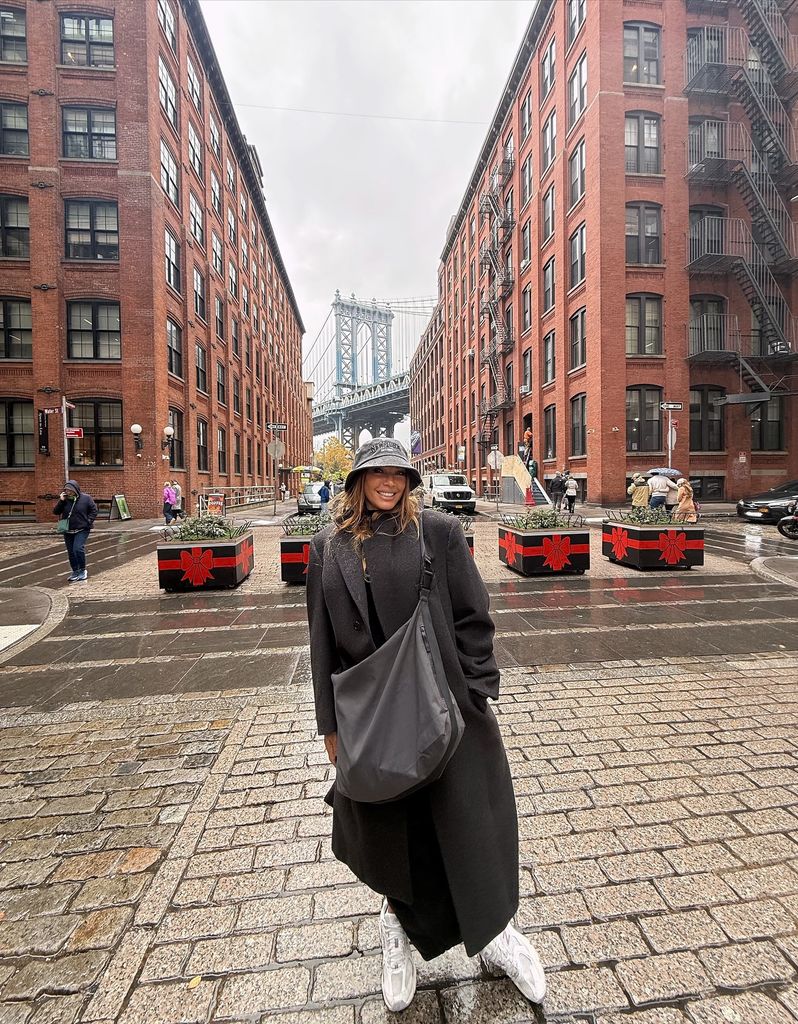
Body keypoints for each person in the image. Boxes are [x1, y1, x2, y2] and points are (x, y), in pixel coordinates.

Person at [306, 438, 545, 1013]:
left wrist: (477, 691)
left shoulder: (437, 532)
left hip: (447, 705)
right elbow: (321, 639)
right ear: (357, 481)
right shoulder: (328, 545)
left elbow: (473, 615)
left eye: (399, 473)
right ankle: (399, 928)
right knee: (393, 834)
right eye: (377, 473)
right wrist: (329, 724)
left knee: (470, 824)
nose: (389, 482)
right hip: (373, 716)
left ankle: (497, 932)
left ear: (410, 481)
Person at [53, 480, 98, 583]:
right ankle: (75, 571)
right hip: (68, 529)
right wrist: (61, 501)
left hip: (82, 529)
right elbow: (56, 512)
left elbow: (94, 510)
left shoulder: (86, 498)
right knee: (71, 552)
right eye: (66, 490)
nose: (68, 492)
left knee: (77, 548)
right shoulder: (64, 500)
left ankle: (82, 570)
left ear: (75, 490)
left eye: (70, 490)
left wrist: (88, 521)